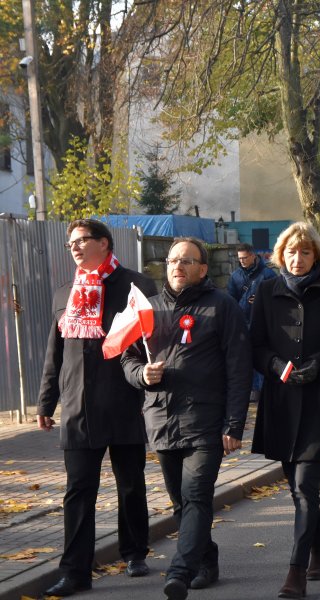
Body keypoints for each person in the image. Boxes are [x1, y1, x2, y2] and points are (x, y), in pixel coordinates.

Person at [121, 237, 252, 600]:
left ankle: (181, 569)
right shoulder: (148, 309)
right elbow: (128, 358)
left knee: (196, 496)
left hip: (205, 421)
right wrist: (141, 374)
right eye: (173, 260)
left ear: (202, 269)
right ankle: (207, 559)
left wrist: (234, 424)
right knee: (180, 501)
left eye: (187, 261)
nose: (177, 266)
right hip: (161, 419)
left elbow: (239, 369)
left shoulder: (221, 307)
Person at [38, 219, 157, 597]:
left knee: (131, 486)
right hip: (77, 408)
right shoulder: (64, 293)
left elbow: (154, 342)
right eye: (70, 243)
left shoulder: (136, 285)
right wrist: (46, 400)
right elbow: (54, 353)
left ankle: (135, 553)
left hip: (125, 402)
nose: (74, 247)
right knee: (78, 491)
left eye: (82, 240)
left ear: (104, 243)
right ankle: (75, 572)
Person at [248, 223, 320, 598]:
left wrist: (319, 364)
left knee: (304, 486)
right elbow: (256, 346)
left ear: (317, 255)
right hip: (281, 402)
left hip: (319, 401)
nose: (298, 259)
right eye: (292, 252)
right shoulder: (266, 290)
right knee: (299, 489)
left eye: (306, 252)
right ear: (281, 255)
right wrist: (275, 365)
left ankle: (295, 571)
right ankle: (318, 547)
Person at [227, 243, 276, 402]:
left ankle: (262, 389)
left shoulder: (268, 274)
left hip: (264, 322)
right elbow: (231, 301)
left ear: (253, 255)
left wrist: (262, 300)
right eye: (239, 258)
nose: (242, 261)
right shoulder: (235, 276)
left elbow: (278, 296)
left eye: (245, 258)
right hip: (243, 323)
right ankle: (251, 389)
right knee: (244, 358)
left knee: (262, 355)